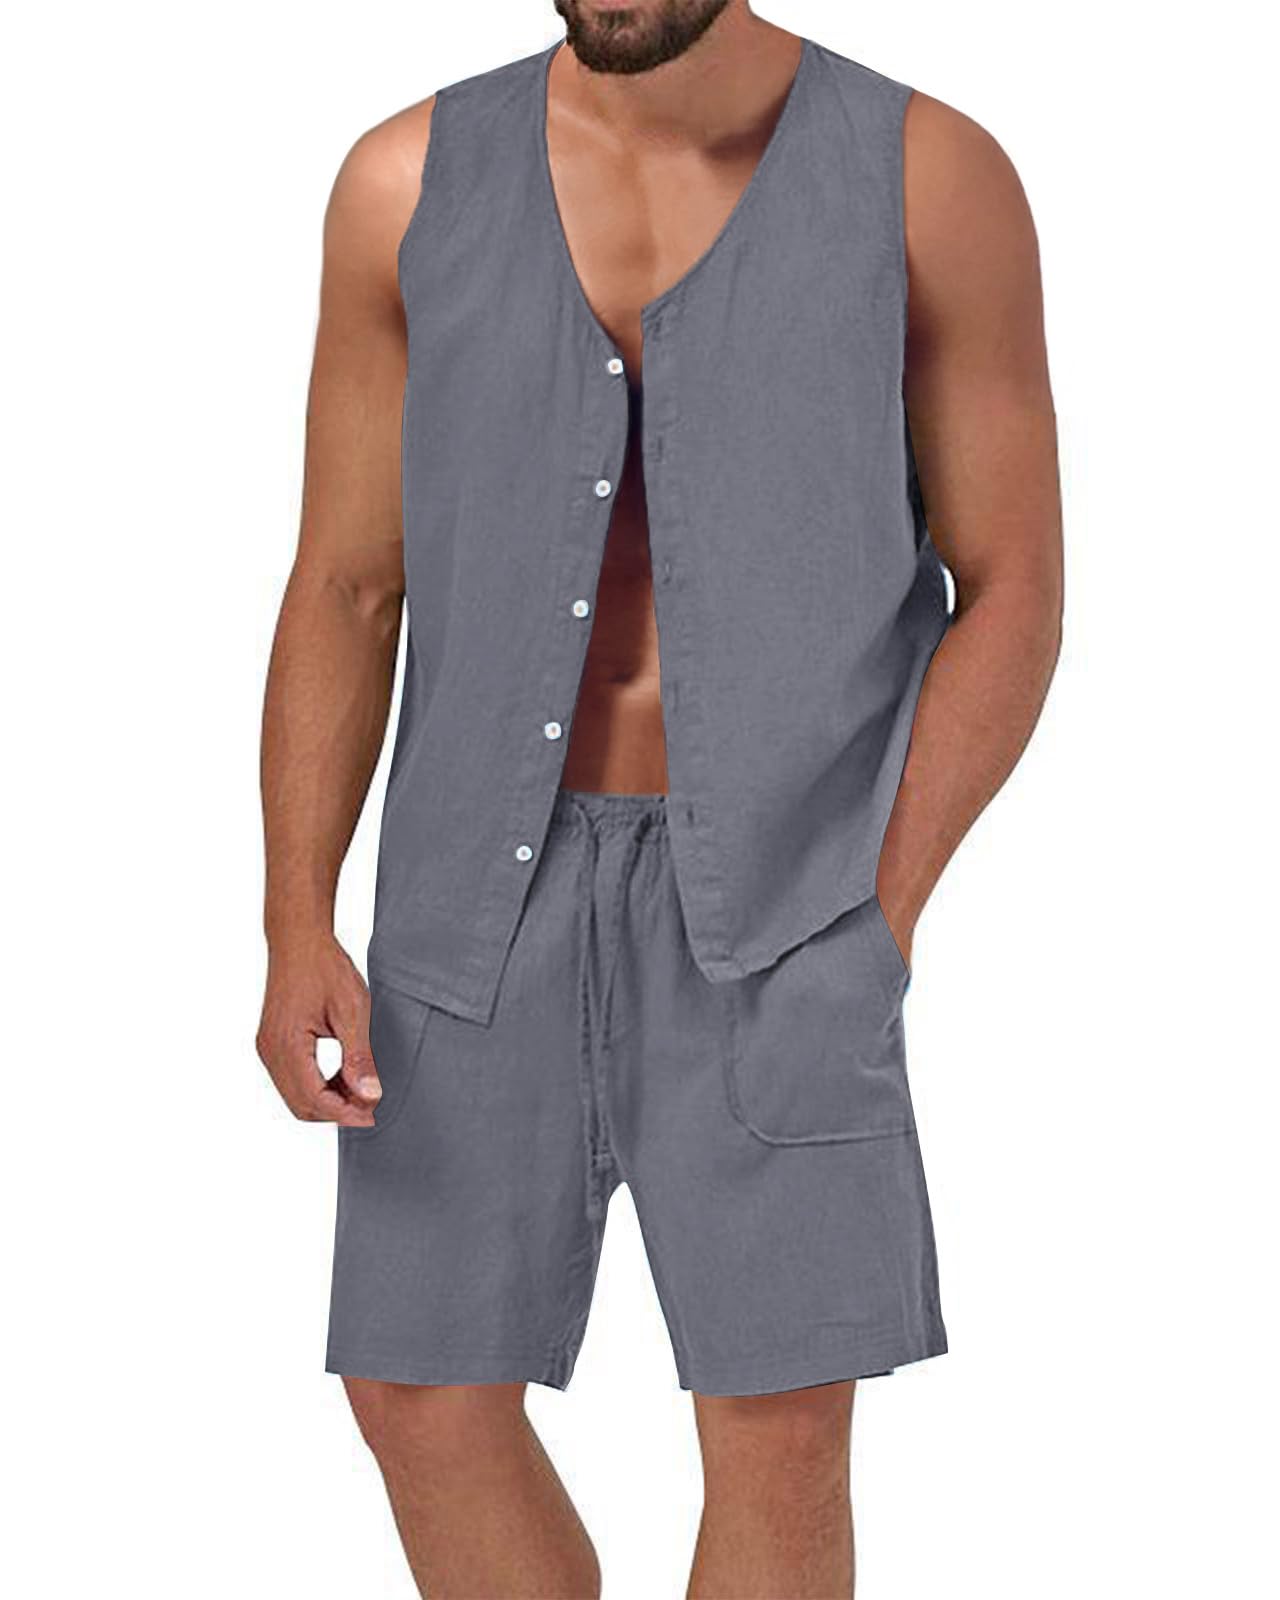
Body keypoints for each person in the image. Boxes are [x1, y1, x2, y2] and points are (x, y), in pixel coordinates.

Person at [256, 1, 1062, 1593]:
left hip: (787, 890)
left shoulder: (929, 176)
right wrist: (296, 918)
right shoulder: (401, 183)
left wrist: (876, 912)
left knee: (776, 1424)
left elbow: (1015, 585)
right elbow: (345, 582)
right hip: (468, 903)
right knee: (417, 1393)